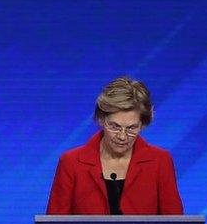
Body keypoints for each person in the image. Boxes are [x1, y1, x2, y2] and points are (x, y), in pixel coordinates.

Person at [46, 76, 183, 215]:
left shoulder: (160, 161)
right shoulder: (71, 162)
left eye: (131, 128)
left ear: (143, 124)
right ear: (101, 119)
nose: (122, 136)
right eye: (115, 126)